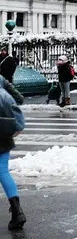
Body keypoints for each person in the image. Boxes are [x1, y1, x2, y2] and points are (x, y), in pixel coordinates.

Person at [0, 76, 26, 231]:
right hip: (4, 133)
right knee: (3, 171)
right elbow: (19, 98)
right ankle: (17, 212)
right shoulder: (2, 81)